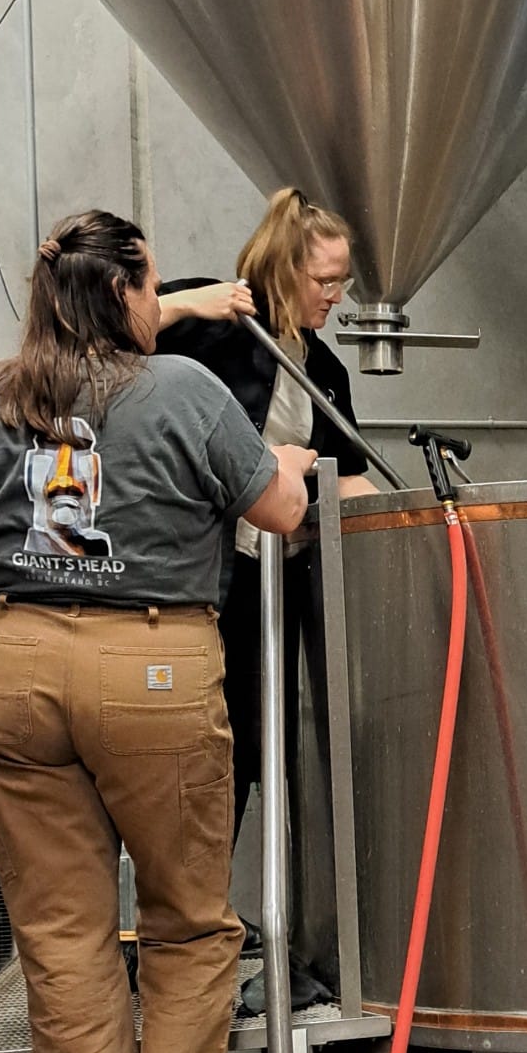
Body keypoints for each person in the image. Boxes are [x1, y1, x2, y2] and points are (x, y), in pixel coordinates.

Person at [0, 209, 315, 1053]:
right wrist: (285, 470)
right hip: (153, 672)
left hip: (16, 670)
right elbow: (283, 517)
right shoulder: (185, 390)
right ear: (125, 292)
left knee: (61, 928)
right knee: (187, 916)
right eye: (153, 285)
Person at [156, 190, 376, 859]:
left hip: (265, 583)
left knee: (253, 744)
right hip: (190, 581)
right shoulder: (213, 321)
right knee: (186, 746)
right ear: (284, 269)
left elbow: (349, 474)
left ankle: (211, 910)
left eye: (343, 281)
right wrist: (190, 302)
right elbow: (92, 326)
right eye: (326, 280)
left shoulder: (323, 370)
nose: (336, 295)